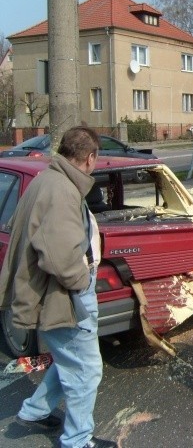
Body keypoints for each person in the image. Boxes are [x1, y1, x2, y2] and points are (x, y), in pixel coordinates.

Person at [0, 126, 117, 448]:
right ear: (90, 157)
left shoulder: (49, 179)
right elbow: (59, 258)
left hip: (59, 291)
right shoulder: (62, 190)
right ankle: (77, 441)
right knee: (86, 369)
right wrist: (83, 287)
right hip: (63, 295)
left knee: (70, 360)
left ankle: (33, 413)